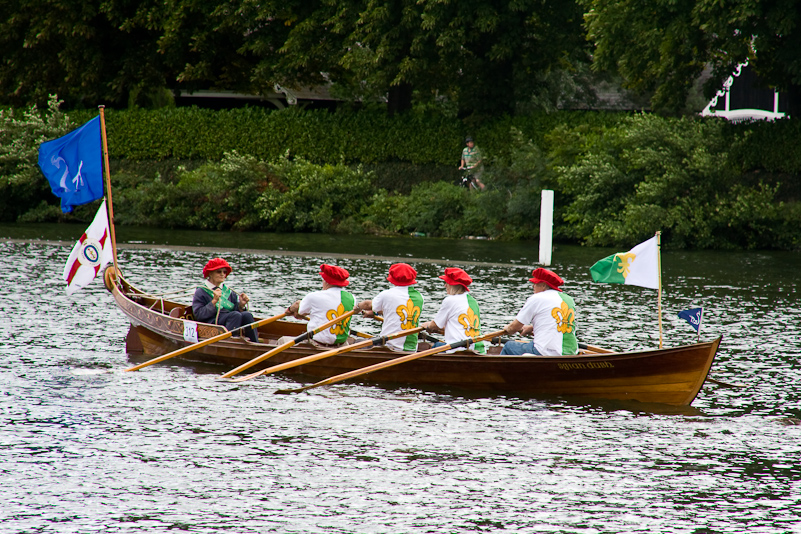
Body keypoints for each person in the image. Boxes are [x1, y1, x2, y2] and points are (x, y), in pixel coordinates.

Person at [499, 267, 578, 355]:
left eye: (535, 283)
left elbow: (514, 327)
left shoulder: (537, 298)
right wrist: (532, 328)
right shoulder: (569, 299)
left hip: (545, 351)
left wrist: (508, 329)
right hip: (571, 352)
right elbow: (561, 323)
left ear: (543, 285)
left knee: (509, 346)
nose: (533, 286)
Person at [358, 263, 424, 351]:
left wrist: (357, 307)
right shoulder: (420, 297)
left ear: (392, 279)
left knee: (357, 343)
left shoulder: (387, 294)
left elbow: (368, 305)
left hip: (389, 346)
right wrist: (374, 313)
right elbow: (399, 312)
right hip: (412, 349)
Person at [420, 267, 486, 354]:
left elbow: (435, 325)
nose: (445, 285)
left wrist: (427, 326)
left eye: (447, 282)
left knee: (435, 346)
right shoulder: (474, 301)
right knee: (439, 344)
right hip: (479, 349)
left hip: (458, 350)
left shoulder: (450, 300)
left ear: (453, 285)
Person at [286, 264, 355, 346]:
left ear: (326, 281)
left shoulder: (313, 296)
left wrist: (290, 310)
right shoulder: (352, 298)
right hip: (342, 345)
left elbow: (301, 312)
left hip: (317, 344)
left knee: (282, 340)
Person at [192, 257, 258, 342]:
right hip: (211, 325)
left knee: (247, 315)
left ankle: (255, 343)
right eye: (219, 271)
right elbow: (199, 315)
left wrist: (241, 306)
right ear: (210, 273)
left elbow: (236, 311)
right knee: (235, 315)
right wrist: (214, 301)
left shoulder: (229, 291)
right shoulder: (201, 291)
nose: (222, 274)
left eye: (224, 272)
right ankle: (229, 343)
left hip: (230, 321)